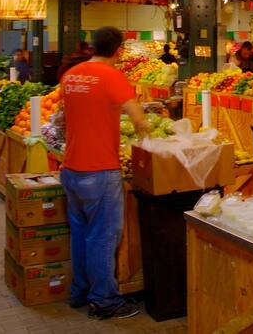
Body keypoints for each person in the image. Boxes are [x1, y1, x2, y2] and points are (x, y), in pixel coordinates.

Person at [60, 27, 151, 320]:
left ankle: (80, 291)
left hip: (70, 168)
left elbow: (69, 114)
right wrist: (150, 139)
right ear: (119, 50)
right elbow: (138, 119)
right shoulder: (112, 76)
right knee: (103, 237)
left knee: (80, 233)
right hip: (100, 170)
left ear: (92, 46)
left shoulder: (71, 75)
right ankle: (104, 300)